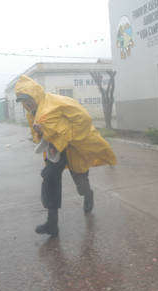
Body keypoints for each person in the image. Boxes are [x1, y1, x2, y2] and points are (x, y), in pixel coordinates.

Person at [15, 75, 117, 236]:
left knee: (81, 181)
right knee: (50, 179)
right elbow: (37, 137)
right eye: (23, 101)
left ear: (34, 94)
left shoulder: (57, 101)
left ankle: (88, 194)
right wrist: (40, 133)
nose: (26, 104)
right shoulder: (32, 113)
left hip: (73, 146)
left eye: (28, 99)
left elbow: (83, 119)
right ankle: (52, 223)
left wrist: (66, 137)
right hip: (54, 151)